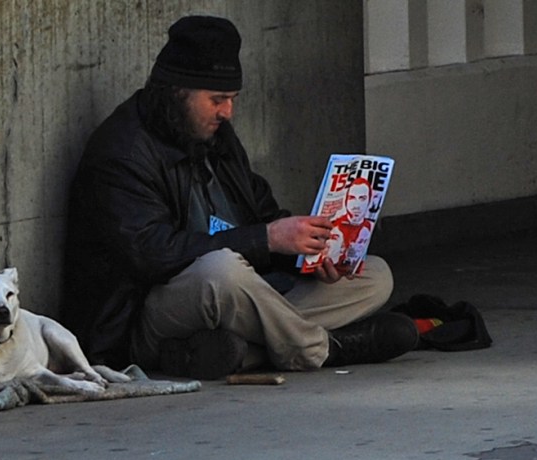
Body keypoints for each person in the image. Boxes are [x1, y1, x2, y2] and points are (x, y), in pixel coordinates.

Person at [62, 15, 418, 379]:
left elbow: (261, 212)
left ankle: (237, 353)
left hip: (237, 297)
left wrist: (309, 254)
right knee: (222, 271)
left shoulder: (217, 135)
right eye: (217, 99)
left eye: (232, 99)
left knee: (374, 275)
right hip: (150, 315)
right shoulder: (122, 152)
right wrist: (267, 239)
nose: (227, 112)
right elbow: (153, 256)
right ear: (177, 91)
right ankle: (323, 349)